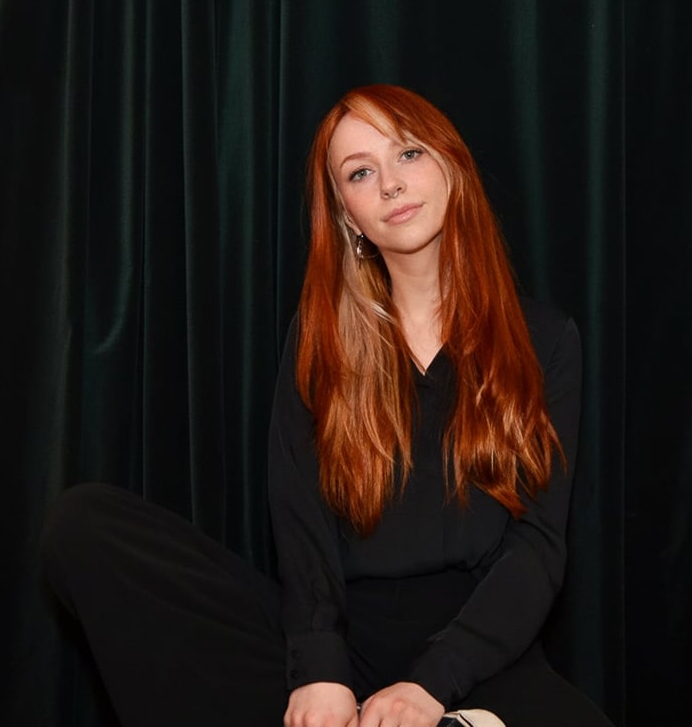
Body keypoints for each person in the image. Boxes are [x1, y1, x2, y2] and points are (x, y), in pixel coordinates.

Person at [41, 84, 615, 727]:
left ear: (452, 166)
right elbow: (299, 521)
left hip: (480, 654)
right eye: (362, 173)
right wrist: (319, 671)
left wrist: (428, 688)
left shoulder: (545, 341)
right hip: (340, 645)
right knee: (85, 524)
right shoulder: (321, 339)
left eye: (409, 154)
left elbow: (537, 549)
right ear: (348, 213)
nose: (391, 185)